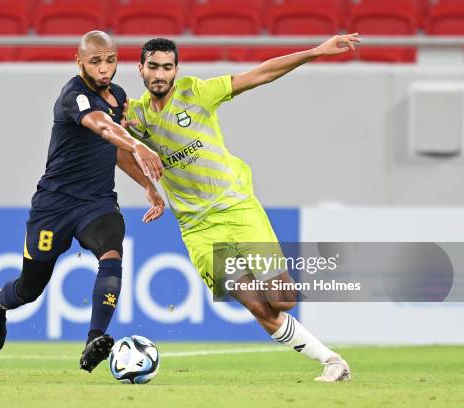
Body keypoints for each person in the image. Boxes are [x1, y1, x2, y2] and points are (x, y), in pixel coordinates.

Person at [125, 34, 362, 382]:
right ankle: (333, 362)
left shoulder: (197, 93)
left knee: (281, 300)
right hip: (198, 228)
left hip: (237, 208)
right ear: (140, 69)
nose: (160, 74)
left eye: (167, 67)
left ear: (176, 70)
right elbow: (116, 149)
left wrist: (314, 52)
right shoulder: (134, 115)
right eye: (153, 67)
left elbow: (261, 74)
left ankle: (328, 356)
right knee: (255, 304)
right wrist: (149, 187)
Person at [0, 31, 165, 373]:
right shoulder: (74, 96)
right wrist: (138, 145)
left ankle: (93, 341)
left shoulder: (119, 97)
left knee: (112, 252)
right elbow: (103, 128)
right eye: (95, 61)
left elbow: (115, 150)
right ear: (78, 60)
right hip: (54, 206)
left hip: (96, 203)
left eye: (110, 60)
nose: (104, 68)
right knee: (30, 288)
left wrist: (148, 185)